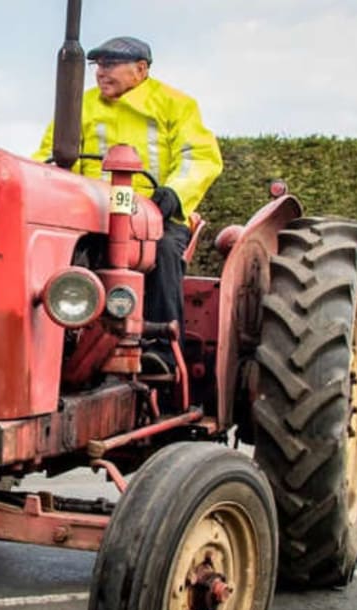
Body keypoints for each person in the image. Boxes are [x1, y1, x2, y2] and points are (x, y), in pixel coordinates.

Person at [33, 36, 223, 374]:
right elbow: (48, 158)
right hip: (91, 215)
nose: (100, 74)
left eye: (109, 66)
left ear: (140, 69)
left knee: (163, 251)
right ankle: (48, 347)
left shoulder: (175, 105)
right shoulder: (80, 105)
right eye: (97, 66)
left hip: (156, 214)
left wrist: (173, 194)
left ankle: (161, 352)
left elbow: (201, 158)